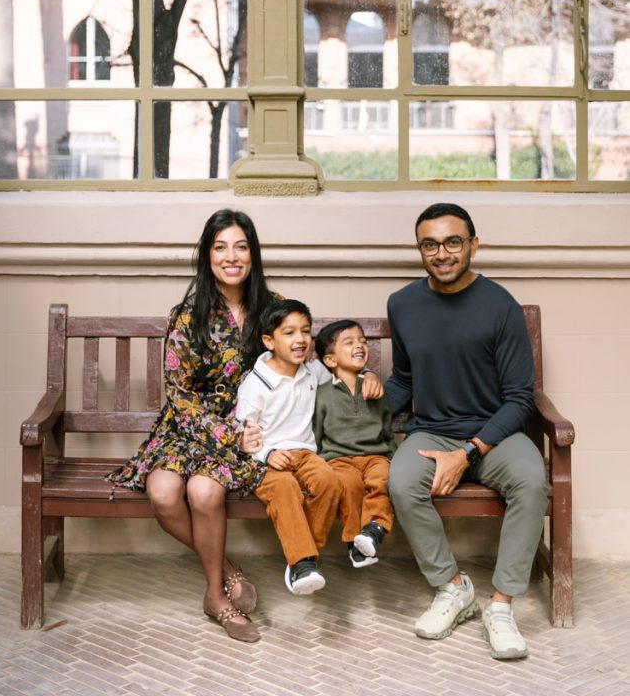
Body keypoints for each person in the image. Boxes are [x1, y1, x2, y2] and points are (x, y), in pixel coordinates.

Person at [384, 202, 549, 661]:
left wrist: (469, 452)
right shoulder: (402, 304)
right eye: (430, 244)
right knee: (400, 481)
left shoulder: (500, 306)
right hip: (432, 431)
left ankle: (500, 606)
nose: (442, 253)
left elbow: (520, 397)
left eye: (453, 242)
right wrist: (354, 411)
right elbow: (404, 379)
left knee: (532, 481)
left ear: (473, 244)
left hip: (492, 433)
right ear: (420, 249)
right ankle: (452, 587)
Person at [107, 208, 278, 644]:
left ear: (253, 254)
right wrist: (226, 435)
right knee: (163, 494)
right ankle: (226, 570)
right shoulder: (187, 316)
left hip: (247, 430)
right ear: (206, 256)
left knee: (204, 491)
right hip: (189, 427)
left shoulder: (274, 313)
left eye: (241, 246)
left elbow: (298, 367)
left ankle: (215, 598)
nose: (231, 256)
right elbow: (180, 395)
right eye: (220, 247)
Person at [235, 299, 384, 595]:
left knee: (329, 481)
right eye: (289, 333)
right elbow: (243, 434)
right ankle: (302, 560)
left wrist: (369, 374)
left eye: (305, 331)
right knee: (285, 488)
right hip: (266, 460)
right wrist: (267, 454)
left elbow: (344, 369)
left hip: (306, 454)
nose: (300, 339)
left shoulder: (312, 372)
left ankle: (301, 558)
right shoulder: (256, 383)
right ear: (269, 341)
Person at [313, 319, 396, 568]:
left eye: (362, 341)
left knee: (382, 479)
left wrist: (394, 457)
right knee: (348, 485)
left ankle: (374, 530)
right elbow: (316, 432)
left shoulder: (373, 388)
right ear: (330, 360)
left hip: (376, 456)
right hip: (338, 458)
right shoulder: (322, 394)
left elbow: (386, 427)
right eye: (349, 342)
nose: (360, 345)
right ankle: (355, 544)